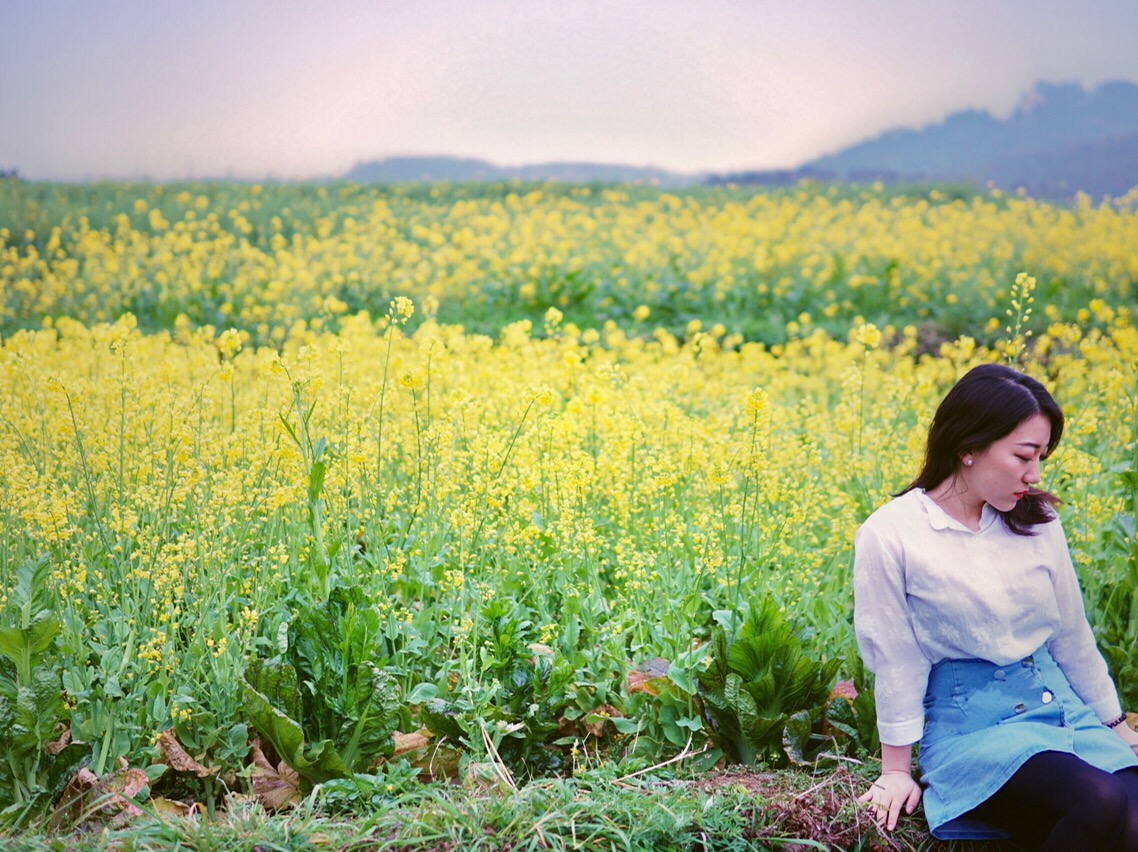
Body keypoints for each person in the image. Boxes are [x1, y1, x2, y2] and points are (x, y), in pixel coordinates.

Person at [853, 363, 1138, 849]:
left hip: (1063, 710)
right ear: (968, 446)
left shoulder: (1037, 519)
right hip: (974, 728)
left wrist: (1116, 727)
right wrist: (896, 770)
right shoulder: (891, 533)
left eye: (1042, 457)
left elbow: (1071, 635)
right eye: (1024, 455)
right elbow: (897, 656)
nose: (1035, 474)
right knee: (1101, 800)